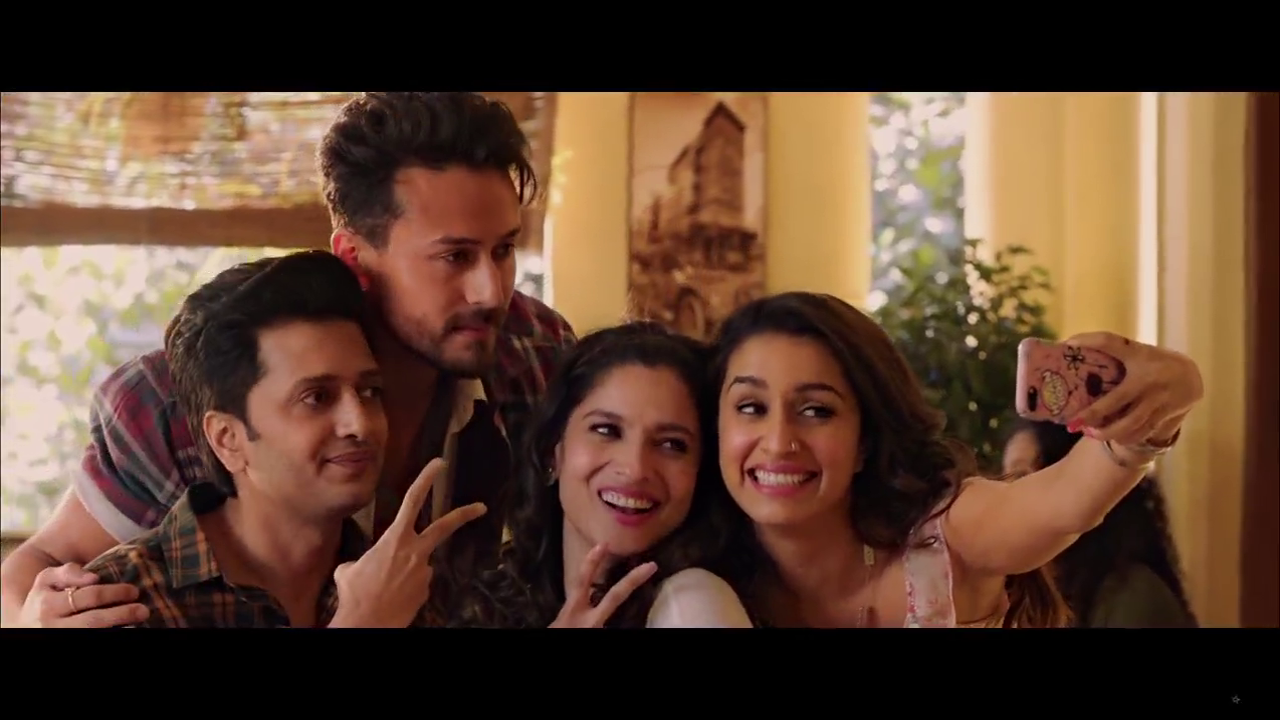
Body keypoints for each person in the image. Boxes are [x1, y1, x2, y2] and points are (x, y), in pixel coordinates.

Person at [1, 92, 575, 628]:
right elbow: (41, 566)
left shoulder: (533, 353)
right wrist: (34, 616)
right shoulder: (181, 397)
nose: (490, 292)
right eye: (454, 256)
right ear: (354, 255)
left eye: (503, 250)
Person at [708, 292, 1203, 628]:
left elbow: (1067, 503)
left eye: (817, 410)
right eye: (750, 408)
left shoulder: (943, 540)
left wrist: (1169, 394)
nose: (779, 442)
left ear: (865, 440)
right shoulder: (699, 576)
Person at [80, 251, 485, 627]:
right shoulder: (118, 601)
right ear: (228, 439)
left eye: (369, 391)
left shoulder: (398, 589)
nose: (360, 424)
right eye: (316, 398)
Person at [455, 322, 752, 628]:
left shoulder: (695, 603)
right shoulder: (493, 601)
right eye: (606, 430)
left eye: (671, 444)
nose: (635, 469)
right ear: (551, 453)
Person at [1002, 419, 1198, 628]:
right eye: (1004, 478)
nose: (1006, 495)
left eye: (1020, 476)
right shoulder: (1031, 592)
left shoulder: (1131, 596)